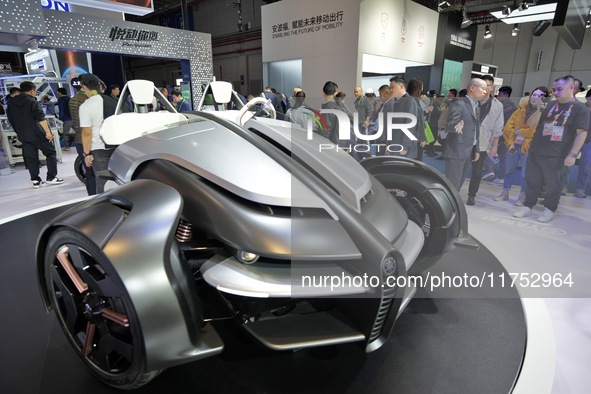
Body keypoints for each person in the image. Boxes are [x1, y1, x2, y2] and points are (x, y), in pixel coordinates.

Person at [513, 76, 589, 222]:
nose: (555, 92)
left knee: (554, 184)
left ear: (571, 88)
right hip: (536, 150)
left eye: (559, 89)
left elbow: (582, 134)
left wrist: (573, 154)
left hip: (558, 155)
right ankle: (528, 206)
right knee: (532, 181)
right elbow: (530, 124)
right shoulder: (550, 105)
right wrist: (538, 110)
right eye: (554, 89)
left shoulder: (580, 109)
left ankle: (549, 209)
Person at [496, 86, 549, 204]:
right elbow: (508, 128)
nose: (535, 98)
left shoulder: (544, 112)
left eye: (539, 96)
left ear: (544, 98)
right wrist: (511, 143)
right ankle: (505, 192)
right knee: (508, 170)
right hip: (514, 145)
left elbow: (537, 130)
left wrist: (520, 132)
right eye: (534, 94)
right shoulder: (520, 109)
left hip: (530, 146)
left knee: (525, 173)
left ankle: (522, 195)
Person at [6, 81, 63, 188]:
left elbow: (11, 119)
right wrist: (48, 133)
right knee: (51, 153)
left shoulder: (11, 103)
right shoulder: (32, 102)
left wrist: (19, 132)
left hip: (23, 135)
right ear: (32, 90)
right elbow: (41, 119)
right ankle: (51, 177)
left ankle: (36, 181)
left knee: (31, 158)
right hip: (38, 134)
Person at [464, 75, 503, 205]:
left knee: (477, 171)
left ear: (491, 88)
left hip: (482, 143)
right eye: (481, 86)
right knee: (461, 169)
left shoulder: (497, 106)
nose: (483, 89)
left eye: (486, 86)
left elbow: (498, 127)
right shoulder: (471, 101)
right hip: (466, 140)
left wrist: (494, 146)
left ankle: (471, 195)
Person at [443, 78, 488, 191]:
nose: (485, 92)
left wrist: (476, 149)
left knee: (458, 185)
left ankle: (452, 206)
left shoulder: (476, 107)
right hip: (456, 150)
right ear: (472, 88)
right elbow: (450, 124)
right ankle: (448, 207)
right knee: (452, 186)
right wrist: (456, 126)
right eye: (483, 88)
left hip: (469, 151)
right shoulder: (459, 104)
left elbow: (476, 130)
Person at [79, 73, 113, 194]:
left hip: (99, 149)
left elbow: (86, 133)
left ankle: (105, 209)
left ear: (83, 86)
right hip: (120, 147)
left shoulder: (86, 106)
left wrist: (87, 153)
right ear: (99, 85)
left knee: (103, 182)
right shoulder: (113, 101)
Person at [69, 80, 94, 195]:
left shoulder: (75, 100)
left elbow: (76, 124)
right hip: (88, 139)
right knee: (92, 170)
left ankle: (93, 196)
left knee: (90, 171)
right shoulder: (89, 100)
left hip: (83, 139)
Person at [573, 88, 591, 198]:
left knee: (585, 166)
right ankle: (562, 187)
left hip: (589, 142)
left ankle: (580, 189)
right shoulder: (580, 108)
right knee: (567, 163)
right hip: (576, 138)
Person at [321, 81, 342, 145]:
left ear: (323, 93)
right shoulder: (339, 107)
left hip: (331, 146)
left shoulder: (328, 109)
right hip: (340, 145)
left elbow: (325, 132)